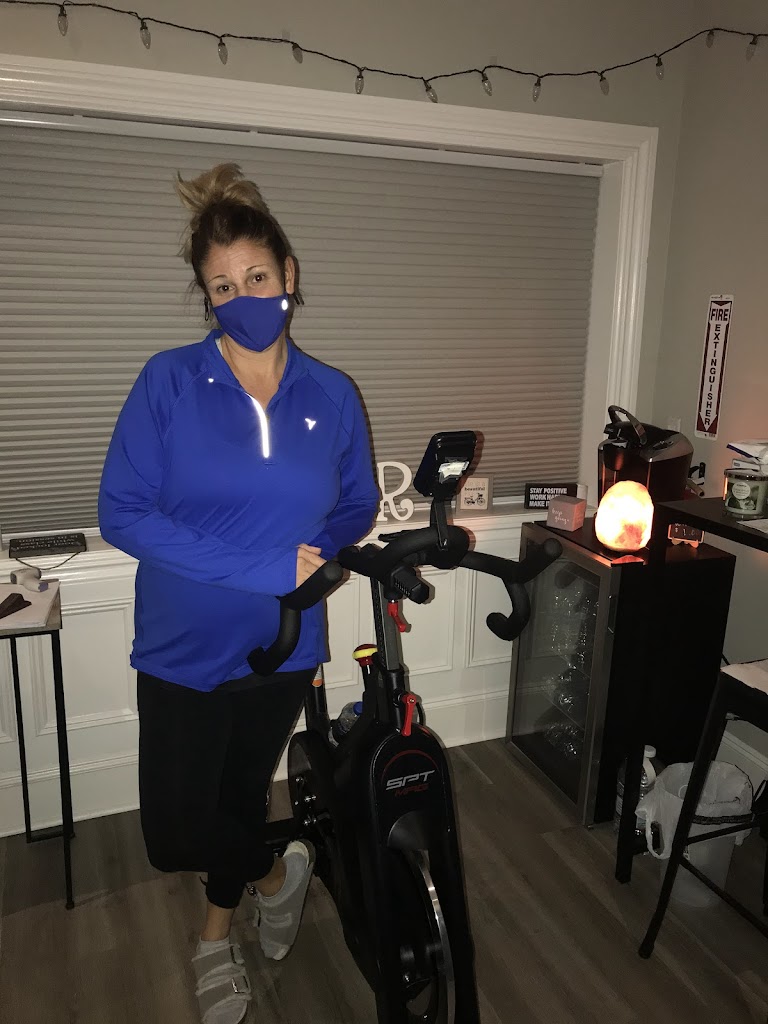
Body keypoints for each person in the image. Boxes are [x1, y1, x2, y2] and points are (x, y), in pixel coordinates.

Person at [98, 163, 379, 1024]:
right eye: (222, 287)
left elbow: (358, 499)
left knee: (238, 797)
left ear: (288, 274)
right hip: (182, 645)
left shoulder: (332, 394)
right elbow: (122, 512)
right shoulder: (169, 382)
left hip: (284, 645)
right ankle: (276, 872)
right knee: (175, 833)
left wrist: (324, 554)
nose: (243, 297)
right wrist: (262, 566)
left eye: (256, 277)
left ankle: (215, 938)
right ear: (207, 298)